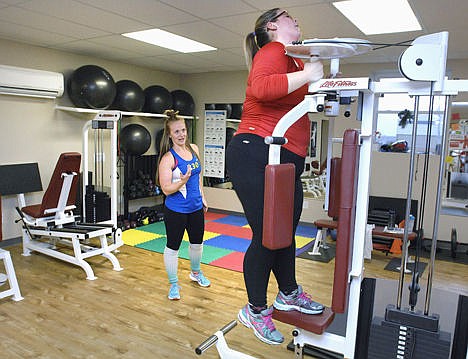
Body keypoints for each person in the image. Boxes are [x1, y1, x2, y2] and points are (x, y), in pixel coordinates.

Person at [225, 8, 325, 345]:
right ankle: (254, 309)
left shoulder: (293, 59)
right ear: (272, 26)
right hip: (256, 150)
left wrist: (311, 72)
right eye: (289, 17)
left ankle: (289, 293)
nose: (296, 20)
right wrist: (309, 72)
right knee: (269, 233)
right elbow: (263, 87)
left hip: (283, 157)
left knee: (285, 231)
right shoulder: (274, 50)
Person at [157, 109, 210, 300]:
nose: (181, 134)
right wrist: (182, 181)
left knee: (197, 243)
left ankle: (195, 273)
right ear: (170, 134)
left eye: (183, 130)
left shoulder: (193, 149)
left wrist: (203, 196)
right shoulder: (168, 159)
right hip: (176, 211)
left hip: (195, 208)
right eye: (177, 131)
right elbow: (165, 189)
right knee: (173, 247)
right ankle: (173, 284)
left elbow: (199, 176)